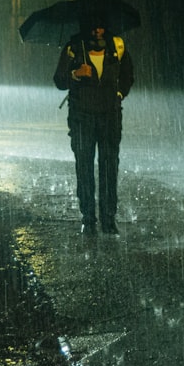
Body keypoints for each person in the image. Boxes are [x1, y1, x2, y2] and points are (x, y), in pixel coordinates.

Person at [54, 16, 134, 234]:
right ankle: (88, 218)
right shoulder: (73, 47)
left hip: (110, 116)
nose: (98, 30)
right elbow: (59, 80)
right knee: (84, 166)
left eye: (101, 25)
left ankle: (108, 218)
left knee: (109, 167)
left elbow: (128, 75)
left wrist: (118, 94)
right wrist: (75, 74)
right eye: (93, 26)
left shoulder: (117, 46)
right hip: (81, 116)